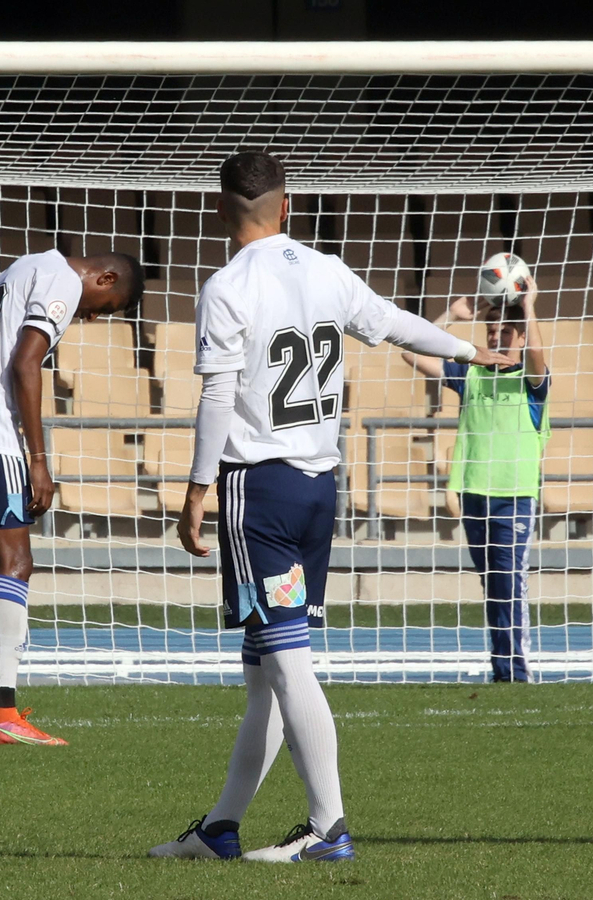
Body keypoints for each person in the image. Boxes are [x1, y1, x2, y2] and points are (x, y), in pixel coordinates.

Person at [150, 151, 513, 863]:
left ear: (221, 210)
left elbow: (219, 395)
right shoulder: (327, 269)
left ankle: (328, 826)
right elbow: (398, 322)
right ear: (289, 205)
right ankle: (220, 828)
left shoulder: (226, 285)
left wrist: (196, 488)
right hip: (320, 488)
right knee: (265, 665)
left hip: (258, 489)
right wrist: (472, 350)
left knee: (285, 662)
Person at [0, 248, 144, 746]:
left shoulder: (24, 266)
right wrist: (37, 458)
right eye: (107, 305)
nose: (94, 315)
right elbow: (25, 363)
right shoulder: (62, 280)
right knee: (14, 562)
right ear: (106, 275)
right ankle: (2, 709)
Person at [400, 287, 549, 683]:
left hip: (514, 496)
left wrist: (529, 308)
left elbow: (536, 356)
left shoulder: (533, 382)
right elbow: (410, 352)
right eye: (490, 331)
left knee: (510, 585)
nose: (496, 338)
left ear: (519, 335)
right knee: (493, 587)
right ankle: (503, 671)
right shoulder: (471, 373)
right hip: (473, 493)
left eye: (505, 331)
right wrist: (451, 317)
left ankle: (517, 673)